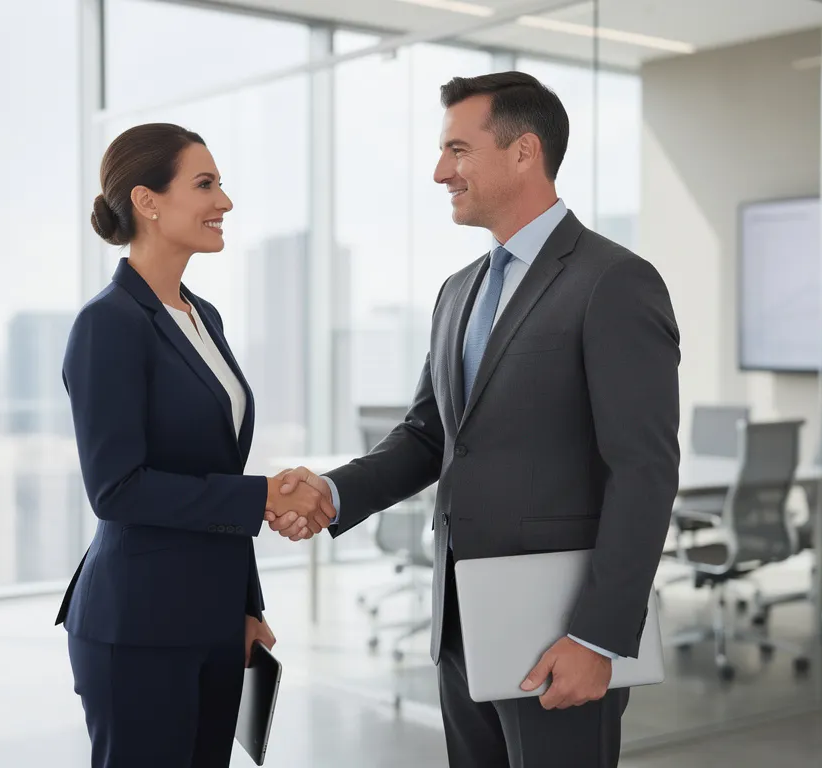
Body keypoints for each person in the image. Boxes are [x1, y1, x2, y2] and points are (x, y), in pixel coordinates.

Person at [273, 72, 681, 767]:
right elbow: (429, 437)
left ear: (524, 152)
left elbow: (642, 472)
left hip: (562, 634)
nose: (440, 172)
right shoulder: (458, 292)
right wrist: (334, 493)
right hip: (462, 628)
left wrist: (600, 638)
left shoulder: (613, 281)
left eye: (457, 150)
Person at [56, 122, 335, 768]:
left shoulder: (201, 316)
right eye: (204, 184)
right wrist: (264, 494)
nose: (225, 202)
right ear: (147, 201)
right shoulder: (109, 324)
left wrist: (244, 605)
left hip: (211, 623)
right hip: (139, 627)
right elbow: (116, 488)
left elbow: (213, 471)